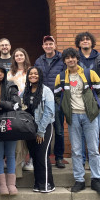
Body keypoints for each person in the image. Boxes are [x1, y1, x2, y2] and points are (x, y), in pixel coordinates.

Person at [54, 48, 100, 195]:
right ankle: (79, 180)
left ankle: (96, 179)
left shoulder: (90, 74)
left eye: (73, 57)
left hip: (90, 116)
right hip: (73, 117)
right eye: (67, 58)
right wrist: (64, 107)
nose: (70, 60)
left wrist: (97, 105)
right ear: (64, 61)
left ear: (77, 59)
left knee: (93, 150)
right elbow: (57, 95)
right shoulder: (61, 77)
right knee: (76, 150)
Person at [75, 32, 100, 166]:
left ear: (92, 42)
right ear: (78, 43)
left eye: (87, 39)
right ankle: (83, 161)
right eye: (82, 40)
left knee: (93, 134)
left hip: (95, 101)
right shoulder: (74, 59)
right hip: (77, 100)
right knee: (80, 136)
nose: (85, 41)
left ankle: (93, 163)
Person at [0, 63, 21, 195]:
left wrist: (0, 103)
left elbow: (16, 105)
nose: (0, 74)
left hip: (11, 124)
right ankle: (1, 184)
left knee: (11, 154)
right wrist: (6, 105)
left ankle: (11, 184)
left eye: (2, 71)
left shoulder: (11, 85)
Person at [22, 67, 56, 193]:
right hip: (30, 129)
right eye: (31, 74)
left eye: (36, 73)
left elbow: (49, 112)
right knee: (35, 156)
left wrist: (41, 130)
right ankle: (38, 183)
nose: (33, 76)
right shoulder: (26, 91)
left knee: (42, 156)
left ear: (40, 75)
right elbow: (19, 106)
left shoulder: (46, 91)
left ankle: (47, 184)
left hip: (44, 127)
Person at [34, 35, 66, 169]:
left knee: (58, 130)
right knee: (43, 127)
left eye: (50, 44)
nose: (48, 46)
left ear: (55, 45)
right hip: (42, 100)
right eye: (46, 44)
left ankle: (59, 157)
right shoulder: (39, 61)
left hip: (58, 100)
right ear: (43, 47)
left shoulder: (62, 60)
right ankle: (44, 155)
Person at [7, 47, 31, 178]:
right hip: (15, 107)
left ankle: (28, 160)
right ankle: (19, 163)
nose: (19, 57)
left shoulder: (30, 71)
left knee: (28, 134)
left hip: (29, 107)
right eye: (17, 55)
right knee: (18, 136)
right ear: (14, 58)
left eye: (21, 55)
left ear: (25, 56)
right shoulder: (10, 73)